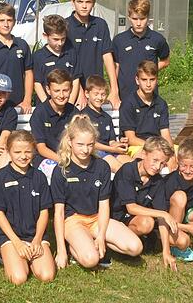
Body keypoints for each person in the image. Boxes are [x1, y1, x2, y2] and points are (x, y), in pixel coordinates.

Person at [51, 115, 143, 270]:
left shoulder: (102, 167)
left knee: (136, 247)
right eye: (80, 144)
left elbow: (104, 205)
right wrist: (60, 250)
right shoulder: (61, 171)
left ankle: (96, 242)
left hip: (96, 218)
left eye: (90, 145)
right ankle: (73, 248)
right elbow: (58, 213)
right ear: (70, 142)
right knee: (91, 260)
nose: (85, 150)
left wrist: (101, 235)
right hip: (73, 221)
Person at [0, 131, 55, 284]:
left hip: (34, 235)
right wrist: (17, 243)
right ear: (8, 151)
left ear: (34, 151)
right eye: (17, 152)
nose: (23, 156)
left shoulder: (39, 176)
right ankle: (7, 254)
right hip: (11, 236)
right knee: (19, 278)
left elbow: (44, 211)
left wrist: (37, 239)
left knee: (47, 276)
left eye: (27, 151)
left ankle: (30, 257)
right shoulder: (0, 177)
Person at [111, 136, 186, 271]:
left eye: (163, 163)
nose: (158, 167)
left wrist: (166, 252)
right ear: (144, 154)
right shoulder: (127, 171)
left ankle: (153, 242)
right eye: (155, 160)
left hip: (139, 219)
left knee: (183, 241)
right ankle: (117, 243)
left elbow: (162, 218)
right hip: (117, 219)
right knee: (147, 223)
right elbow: (131, 208)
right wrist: (162, 213)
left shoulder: (157, 181)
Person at [65, 0, 119, 109]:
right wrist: (78, 92)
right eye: (80, 1)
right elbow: (66, 61)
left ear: (94, 3)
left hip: (96, 90)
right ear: (73, 2)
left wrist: (114, 90)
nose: (84, 6)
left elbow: (107, 56)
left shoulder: (100, 25)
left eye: (88, 2)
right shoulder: (66, 26)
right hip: (73, 93)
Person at [112, 0, 170, 101]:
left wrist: (148, 73)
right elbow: (116, 67)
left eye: (142, 19)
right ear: (129, 17)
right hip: (125, 95)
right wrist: (114, 91)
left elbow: (165, 61)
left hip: (149, 95)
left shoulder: (157, 39)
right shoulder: (119, 40)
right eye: (134, 19)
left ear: (148, 17)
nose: (138, 23)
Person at [119, 60, 174, 168]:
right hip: (137, 146)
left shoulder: (161, 103)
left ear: (156, 80)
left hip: (158, 145)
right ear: (137, 80)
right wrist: (155, 148)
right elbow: (131, 138)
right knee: (148, 159)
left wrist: (171, 153)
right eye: (144, 80)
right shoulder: (128, 103)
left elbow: (166, 134)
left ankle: (174, 184)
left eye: (152, 80)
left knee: (183, 156)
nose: (148, 84)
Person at [0, 3, 34, 112]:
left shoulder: (22, 44)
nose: (6, 24)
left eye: (9, 20)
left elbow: (29, 73)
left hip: (19, 104)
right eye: (2, 20)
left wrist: (27, 100)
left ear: (14, 22)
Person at [29, 69, 78, 181]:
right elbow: (41, 148)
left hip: (71, 157)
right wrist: (64, 161)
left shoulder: (74, 112)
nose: (61, 95)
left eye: (65, 90)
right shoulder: (40, 113)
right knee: (61, 174)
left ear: (71, 90)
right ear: (48, 90)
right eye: (57, 91)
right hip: (45, 158)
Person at [81, 75, 131, 172]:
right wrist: (112, 149)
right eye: (96, 94)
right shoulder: (84, 116)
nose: (100, 98)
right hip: (94, 153)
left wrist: (119, 144)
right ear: (87, 94)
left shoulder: (107, 117)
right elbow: (91, 144)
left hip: (109, 151)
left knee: (132, 166)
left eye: (103, 94)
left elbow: (111, 141)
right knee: (120, 168)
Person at [32, 14, 80, 104]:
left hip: (68, 105)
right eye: (55, 39)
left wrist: (70, 104)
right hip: (46, 107)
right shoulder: (38, 56)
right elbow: (37, 83)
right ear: (45, 36)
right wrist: (47, 106)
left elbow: (76, 80)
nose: (60, 43)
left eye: (63, 39)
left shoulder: (71, 53)